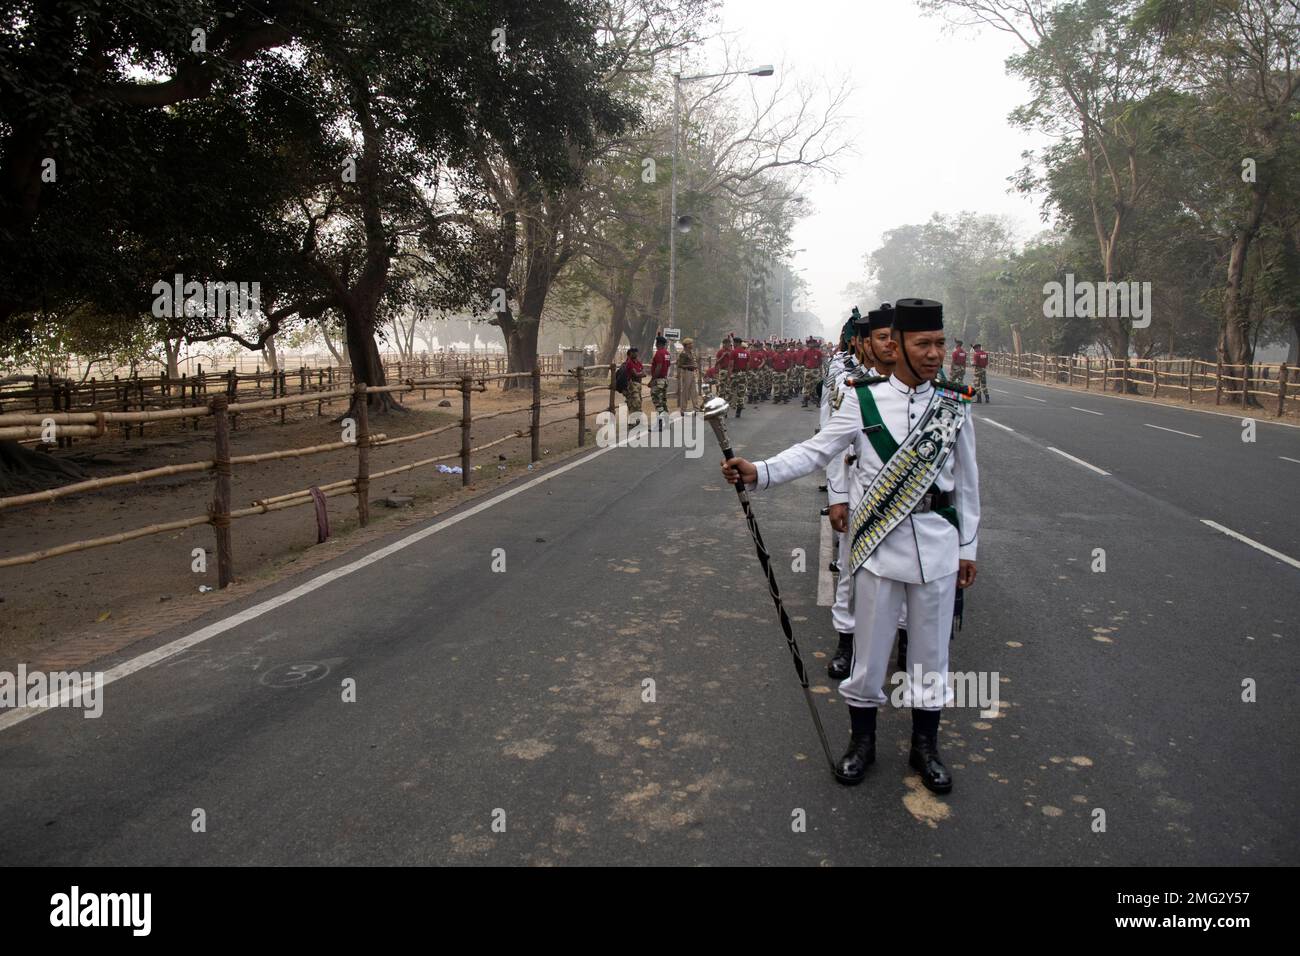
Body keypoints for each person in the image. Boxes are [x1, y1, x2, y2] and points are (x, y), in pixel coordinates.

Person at [720, 298, 979, 794]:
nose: (934, 353)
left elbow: (967, 486)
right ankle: (862, 743)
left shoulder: (954, 404)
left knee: (930, 657)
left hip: (939, 550)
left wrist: (968, 547)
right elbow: (817, 450)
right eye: (923, 343)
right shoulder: (863, 399)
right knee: (870, 654)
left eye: (939, 344)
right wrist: (762, 472)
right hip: (880, 550)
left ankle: (925, 747)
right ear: (899, 345)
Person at [650, 335, 671, 428]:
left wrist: (652, 379)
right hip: (664, 380)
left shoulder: (659, 353)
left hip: (658, 381)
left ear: (658, 343)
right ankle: (666, 423)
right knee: (663, 402)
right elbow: (668, 365)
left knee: (658, 403)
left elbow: (658, 367)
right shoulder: (667, 353)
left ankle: (659, 424)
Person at [678, 338, 701, 413]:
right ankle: (683, 409)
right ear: (686, 345)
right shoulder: (683, 354)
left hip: (692, 372)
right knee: (685, 391)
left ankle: (696, 408)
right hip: (686, 372)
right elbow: (680, 365)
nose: (692, 345)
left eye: (692, 343)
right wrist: (689, 366)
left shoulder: (692, 353)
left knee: (694, 391)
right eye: (690, 343)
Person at [622, 346, 645, 423]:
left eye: (636, 351)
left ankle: (635, 421)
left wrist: (640, 374)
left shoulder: (638, 363)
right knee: (635, 402)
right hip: (632, 385)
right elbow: (635, 374)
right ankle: (634, 421)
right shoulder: (629, 363)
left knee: (637, 402)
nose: (634, 353)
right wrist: (640, 374)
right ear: (630, 353)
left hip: (638, 385)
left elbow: (643, 372)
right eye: (633, 351)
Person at [800, 337, 822, 408]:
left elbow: (820, 361)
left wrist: (820, 369)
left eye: (813, 343)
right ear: (808, 344)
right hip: (808, 370)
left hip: (816, 370)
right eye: (810, 343)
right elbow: (802, 361)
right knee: (807, 385)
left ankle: (818, 401)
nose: (811, 344)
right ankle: (805, 402)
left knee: (817, 386)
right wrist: (806, 365)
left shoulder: (818, 352)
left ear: (815, 344)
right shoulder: (805, 352)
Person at [730, 337, 750, 418]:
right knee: (741, 393)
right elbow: (748, 365)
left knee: (730, 391)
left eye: (733, 343)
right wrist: (746, 373)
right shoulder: (746, 353)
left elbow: (731, 364)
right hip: (743, 374)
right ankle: (738, 412)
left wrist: (729, 375)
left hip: (735, 374)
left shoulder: (733, 352)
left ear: (736, 343)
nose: (733, 344)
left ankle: (726, 412)